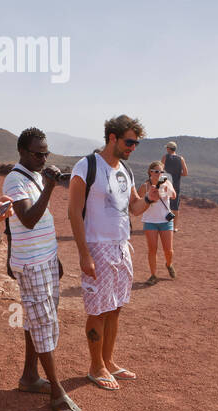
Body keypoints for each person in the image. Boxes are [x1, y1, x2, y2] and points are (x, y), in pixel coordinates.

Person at [68, 115, 154, 390]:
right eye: (129, 142)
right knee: (99, 310)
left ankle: (109, 361)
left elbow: (135, 208)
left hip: (121, 246)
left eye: (136, 143)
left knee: (116, 308)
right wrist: (84, 254)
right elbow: (73, 211)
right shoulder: (87, 165)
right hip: (97, 245)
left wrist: (151, 197)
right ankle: (96, 367)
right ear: (112, 138)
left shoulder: (125, 171)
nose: (132, 147)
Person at [3, 128, 81, 411]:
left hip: (45, 259)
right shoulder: (14, 179)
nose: (43, 157)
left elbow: (37, 222)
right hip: (31, 264)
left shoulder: (35, 175)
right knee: (42, 321)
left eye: (46, 152)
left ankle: (29, 376)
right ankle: (57, 392)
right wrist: (49, 186)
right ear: (22, 152)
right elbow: (29, 219)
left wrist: (55, 257)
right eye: (38, 153)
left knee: (35, 318)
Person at [139, 161, 176, 283]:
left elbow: (174, 195)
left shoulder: (167, 183)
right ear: (150, 172)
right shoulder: (145, 186)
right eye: (156, 171)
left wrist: (166, 189)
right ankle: (153, 275)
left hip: (165, 220)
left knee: (168, 250)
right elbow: (138, 202)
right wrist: (148, 197)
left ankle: (169, 264)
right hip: (150, 221)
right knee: (152, 249)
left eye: (161, 171)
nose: (158, 174)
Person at [162, 141, 187, 228]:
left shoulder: (165, 157)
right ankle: (174, 227)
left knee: (165, 204)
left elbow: (161, 171)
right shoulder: (181, 159)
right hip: (176, 185)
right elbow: (185, 173)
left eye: (167, 148)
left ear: (169, 149)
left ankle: (165, 224)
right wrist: (177, 174)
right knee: (175, 207)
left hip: (165, 185)